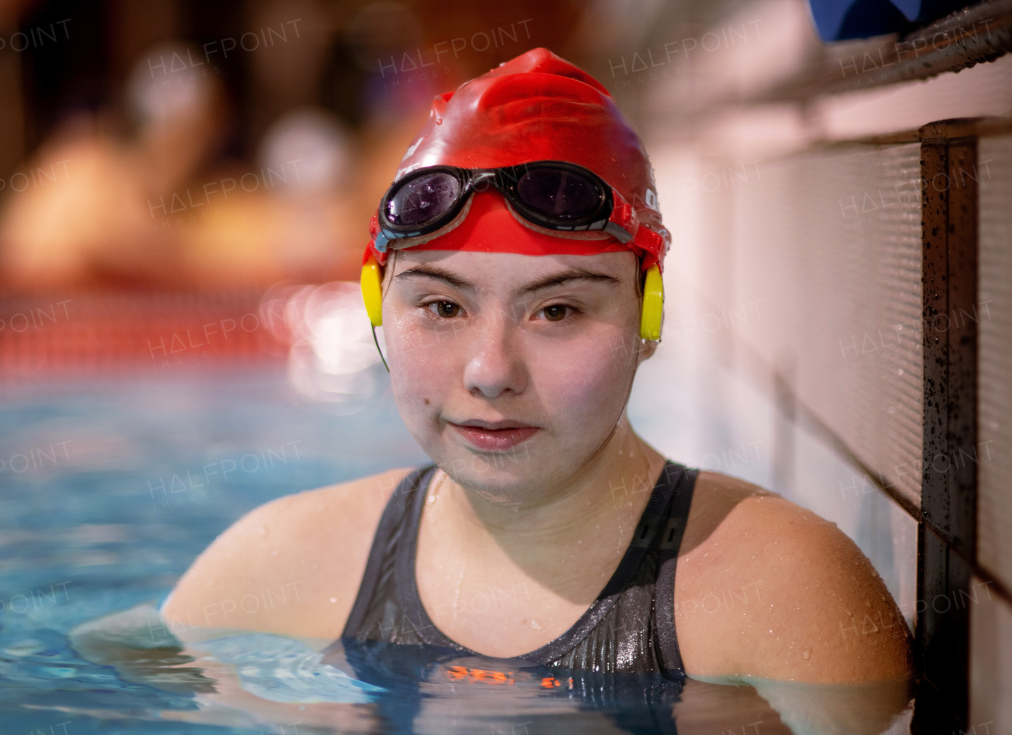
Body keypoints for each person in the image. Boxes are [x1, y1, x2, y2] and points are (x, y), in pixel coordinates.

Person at [159, 47, 912, 686]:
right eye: (443, 307)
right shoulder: (272, 571)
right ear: (376, 304)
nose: (491, 372)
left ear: (650, 316)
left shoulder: (785, 595)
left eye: (557, 311)